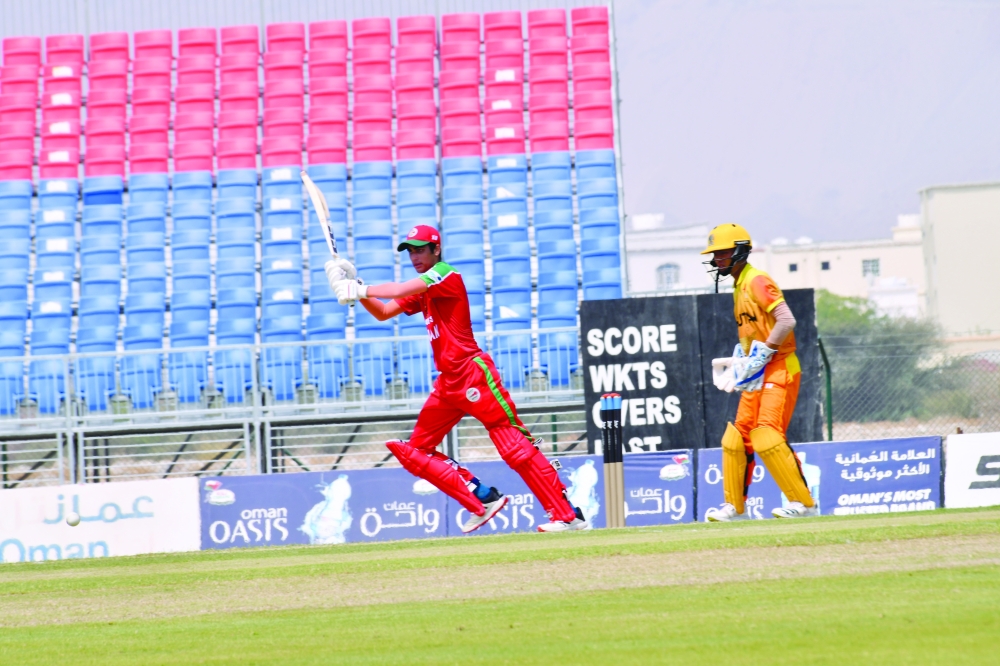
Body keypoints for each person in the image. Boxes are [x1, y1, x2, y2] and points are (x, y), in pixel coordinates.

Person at [325, 224, 588, 533]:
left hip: (473, 373)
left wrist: (360, 290)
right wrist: (355, 285)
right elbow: (383, 312)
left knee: (514, 447)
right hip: (448, 382)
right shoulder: (424, 288)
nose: (414, 257)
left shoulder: (445, 274)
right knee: (416, 452)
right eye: (410, 252)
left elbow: (397, 290)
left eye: (420, 250)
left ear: (436, 249)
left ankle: (567, 516)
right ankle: (483, 497)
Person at [700, 223, 818, 521]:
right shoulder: (738, 285)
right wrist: (743, 361)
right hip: (757, 371)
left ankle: (804, 504)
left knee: (767, 433)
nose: (717, 259)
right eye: (715, 254)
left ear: (740, 251)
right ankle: (735, 508)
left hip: (780, 366)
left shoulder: (756, 280)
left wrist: (765, 351)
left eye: (723, 253)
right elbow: (754, 332)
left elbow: (786, 320)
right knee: (737, 437)